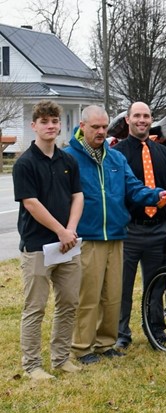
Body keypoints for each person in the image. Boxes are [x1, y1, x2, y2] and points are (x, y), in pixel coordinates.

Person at [65, 106, 166, 365]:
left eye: (104, 127)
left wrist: (156, 195)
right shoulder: (69, 158)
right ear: (82, 126)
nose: (101, 132)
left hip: (116, 234)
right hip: (88, 237)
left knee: (113, 295)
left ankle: (105, 342)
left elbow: (134, 188)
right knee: (89, 296)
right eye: (95, 127)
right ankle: (82, 347)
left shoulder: (115, 158)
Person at [13, 100, 84, 380]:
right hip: (37, 247)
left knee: (68, 303)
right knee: (36, 307)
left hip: (68, 245)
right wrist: (60, 231)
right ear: (34, 126)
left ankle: (61, 358)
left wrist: (71, 229)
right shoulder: (25, 163)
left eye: (54, 121)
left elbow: (77, 196)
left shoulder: (68, 160)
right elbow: (31, 203)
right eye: (44, 122)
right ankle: (32, 366)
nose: (51, 126)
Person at [113, 101, 166, 350]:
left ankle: (156, 330)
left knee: (157, 284)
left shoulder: (163, 153)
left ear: (151, 119)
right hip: (129, 229)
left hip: (158, 230)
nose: (142, 120)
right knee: (123, 286)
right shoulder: (117, 153)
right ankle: (120, 333)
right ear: (127, 120)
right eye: (137, 116)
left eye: (146, 116)